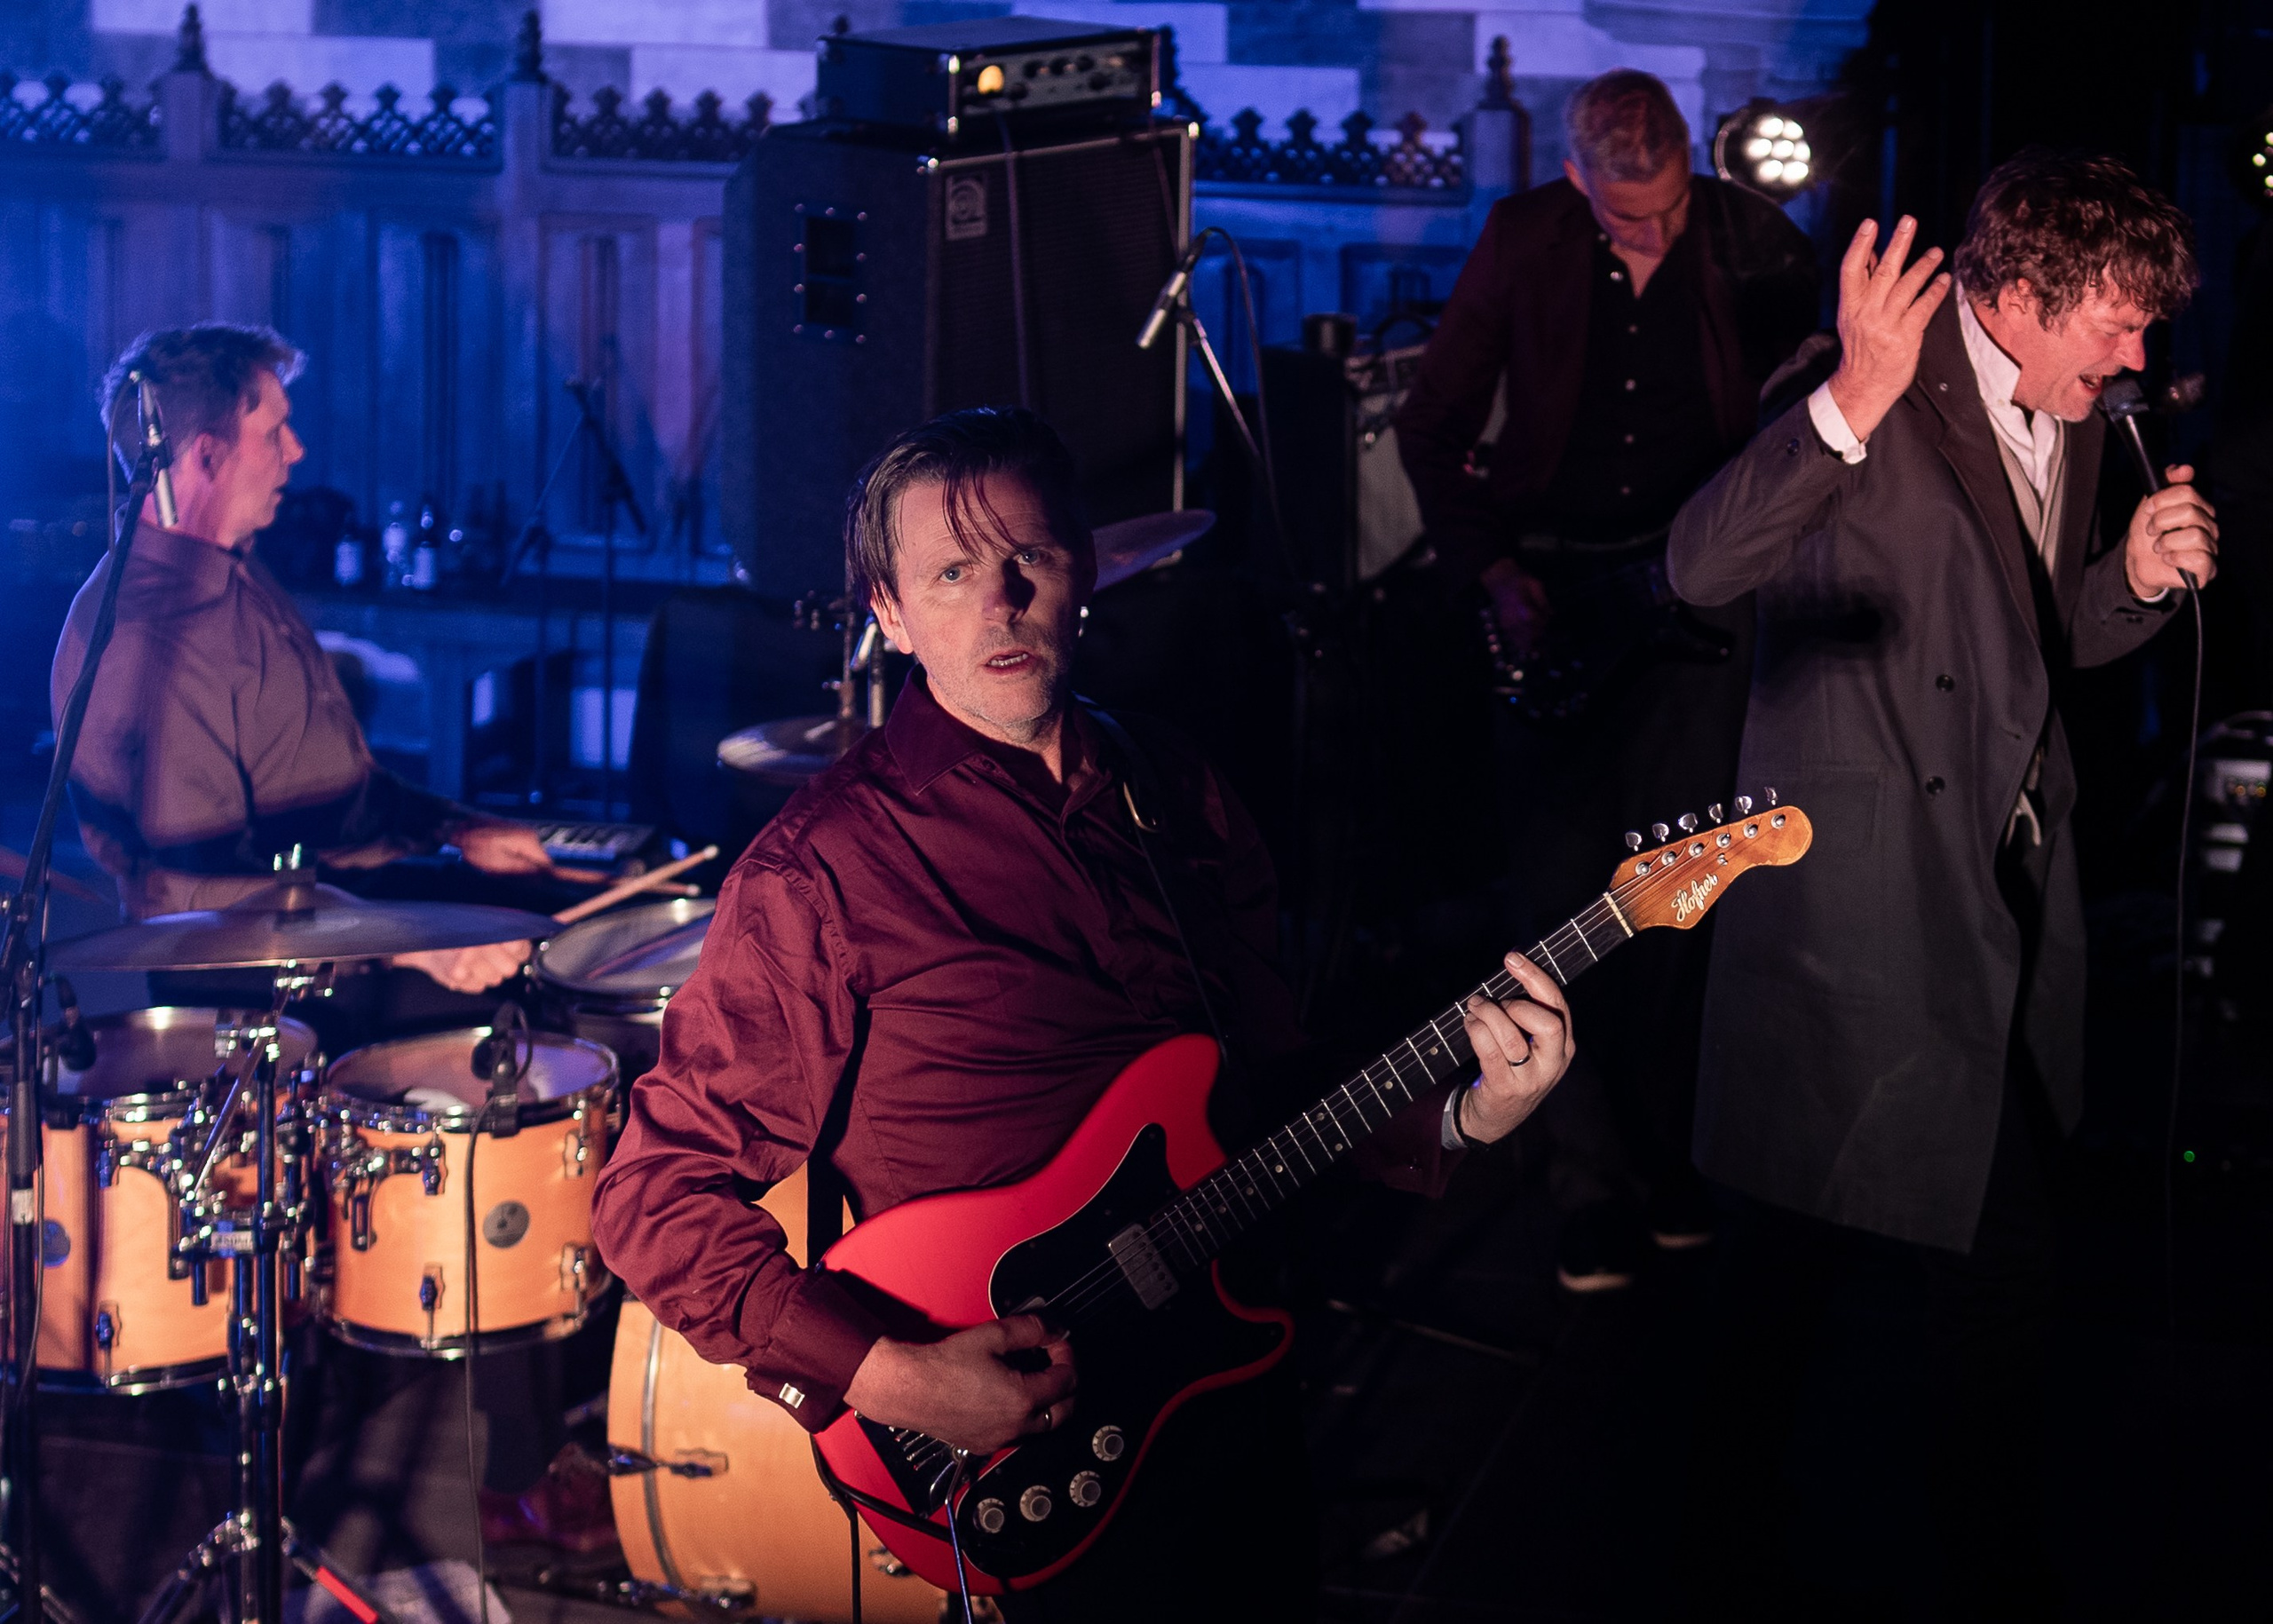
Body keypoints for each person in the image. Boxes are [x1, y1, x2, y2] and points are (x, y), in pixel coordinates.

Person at [590, 406, 1576, 1620]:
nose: (1000, 600)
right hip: (1018, 1431)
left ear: (1085, 573)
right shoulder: (825, 870)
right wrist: (892, 1375)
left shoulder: (1178, 787)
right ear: (889, 615)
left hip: (1228, 1369)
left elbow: (1269, 1091)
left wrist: (1468, 1115)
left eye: (1031, 558)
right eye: (951, 573)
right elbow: (650, 1198)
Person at [1666, 152, 2214, 1616]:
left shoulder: (2073, 410)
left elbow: (2033, 651)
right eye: (2114, 322)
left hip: (2001, 892)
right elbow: (1699, 567)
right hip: (1856, 908)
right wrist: (1848, 395)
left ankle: (1897, 1540)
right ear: (2017, 300)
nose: (2136, 355)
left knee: (1925, 1257)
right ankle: (1783, 1547)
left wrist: (2135, 589)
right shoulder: (1863, 387)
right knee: (1812, 1260)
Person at [1391, 68, 1819, 1289]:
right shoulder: (1527, 236)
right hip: (1561, 598)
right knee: (1559, 905)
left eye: (1667, 210)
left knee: (1690, 892)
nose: (1650, 235)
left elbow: (1823, 378)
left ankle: (1669, 1154)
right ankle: (1586, 1185)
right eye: (1625, 215)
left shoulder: (1739, 229)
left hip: (1696, 597)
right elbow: (1433, 424)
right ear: (1578, 178)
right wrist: (1494, 570)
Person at [51, 323, 567, 993]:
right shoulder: (154, 637)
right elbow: (199, 893)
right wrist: (411, 947)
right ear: (206, 459)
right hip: (270, 980)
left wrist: (456, 827)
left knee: (607, 908)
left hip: (343, 897)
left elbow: (341, 796)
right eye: (273, 433)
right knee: (566, 997)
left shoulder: (232, 567)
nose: (295, 451)